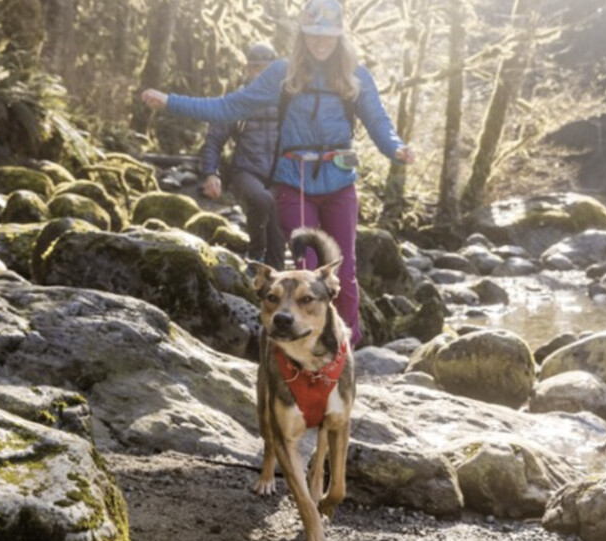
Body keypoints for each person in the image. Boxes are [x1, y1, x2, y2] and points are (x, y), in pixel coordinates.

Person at [142, 0, 414, 346]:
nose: (320, 42)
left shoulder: (355, 77)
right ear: (302, 34)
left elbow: (378, 121)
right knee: (309, 272)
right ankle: (309, 346)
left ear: (340, 36)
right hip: (293, 183)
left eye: (328, 35)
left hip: (340, 183)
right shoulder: (282, 74)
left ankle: (346, 348)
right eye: (314, 34)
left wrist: (396, 148)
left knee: (343, 272)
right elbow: (229, 106)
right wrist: (171, 101)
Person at [199, 42, 285, 270]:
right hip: (245, 172)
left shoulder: (288, 103)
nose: (262, 73)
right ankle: (255, 251)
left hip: (280, 176)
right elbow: (214, 139)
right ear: (248, 70)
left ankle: (271, 293)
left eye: (268, 68)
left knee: (278, 243)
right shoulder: (237, 101)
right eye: (256, 68)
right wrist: (210, 173)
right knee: (261, 199)